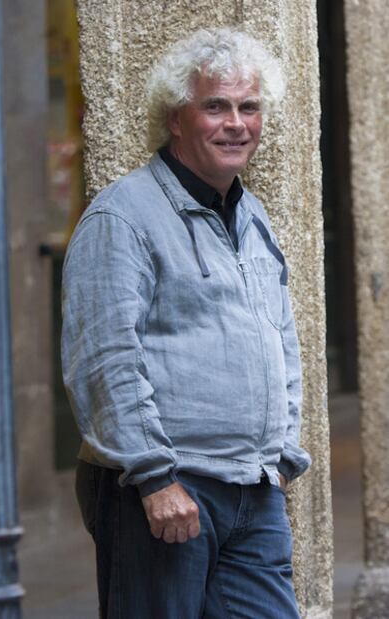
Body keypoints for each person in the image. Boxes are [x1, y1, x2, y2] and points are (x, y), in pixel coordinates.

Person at [62, 27, 311, 619]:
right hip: (166, 491)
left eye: (249, 107)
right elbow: (104, 358)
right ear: (176, 118)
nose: (236, 123)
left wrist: (280, 458)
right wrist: (154, 478)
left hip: (252, 489)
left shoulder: (252, 214)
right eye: (215, 106)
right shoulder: (123, 217)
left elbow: (281, 339)